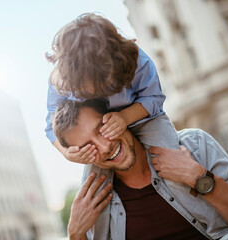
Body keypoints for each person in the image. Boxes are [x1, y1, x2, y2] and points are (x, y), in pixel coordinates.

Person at [53, 99, 228, 240]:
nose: (105, 147)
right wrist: (76, 235)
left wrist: (199, 178)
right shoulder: (95, 204)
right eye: (87, 147)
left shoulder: (194, 145)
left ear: (117, 116)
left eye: (102, 128)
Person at [45, 13, 179, 165]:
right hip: (97, 140)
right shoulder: (61, 82)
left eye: (99, 84)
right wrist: (67, 153)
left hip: (145, 119)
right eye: (81, 88)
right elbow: (51, 127)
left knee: (172, 160)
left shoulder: (137, 61)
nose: (91, 93)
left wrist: (125, 117)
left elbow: (153, 97)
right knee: (93, 182)